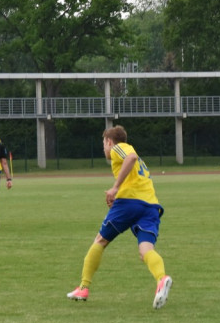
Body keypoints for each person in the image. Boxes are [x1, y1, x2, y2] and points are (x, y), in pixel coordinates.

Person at [66, 126, 173, 310]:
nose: (104, 149)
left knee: (100, 240)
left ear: (109, 141)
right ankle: (161, 279)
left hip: (129, 203)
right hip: (151, 206)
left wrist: (115, 188)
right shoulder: (136, 160)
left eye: (103, 144)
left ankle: (83, 288)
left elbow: (131, 157)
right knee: (145, 250)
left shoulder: (119, 148)